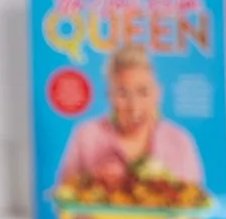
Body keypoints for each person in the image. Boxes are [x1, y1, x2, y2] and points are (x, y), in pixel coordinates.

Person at [57, 43, 205, 189]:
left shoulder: (180, 142)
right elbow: (64, 196)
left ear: (158, 93)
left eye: (143, 92)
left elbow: (193, 199)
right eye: (122, 93)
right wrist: (92, 180)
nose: (134, 107)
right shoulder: (86, 136)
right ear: (109, 96)